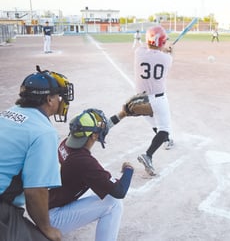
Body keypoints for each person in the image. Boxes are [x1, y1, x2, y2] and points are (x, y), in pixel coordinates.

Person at [0, 65, 74, 241]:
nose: (62, 100)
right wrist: (47, 229)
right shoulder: (43, 131)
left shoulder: (8, 113)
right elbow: (35, 192)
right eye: (59, 96)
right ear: (49, 99)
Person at [48, 108, 134, 241]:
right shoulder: (84, 162)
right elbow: (119, 191)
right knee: (114, 203)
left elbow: (98, 131)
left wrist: (121, 115)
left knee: (98, 189)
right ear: (93, 136)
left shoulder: (65, 143)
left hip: (44, 205)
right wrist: (129, 169)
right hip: (52, 219)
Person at [134, 25, 174, 176]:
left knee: (155, 124)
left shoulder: (139, 53)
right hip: (158, 99)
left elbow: (150, 49)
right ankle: (148, 155)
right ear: (162, 42)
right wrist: (167, 50)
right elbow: (162, 54)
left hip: (140, 101)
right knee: (164, 130)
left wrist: (160, 47)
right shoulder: (167, 58)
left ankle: (167, 140)